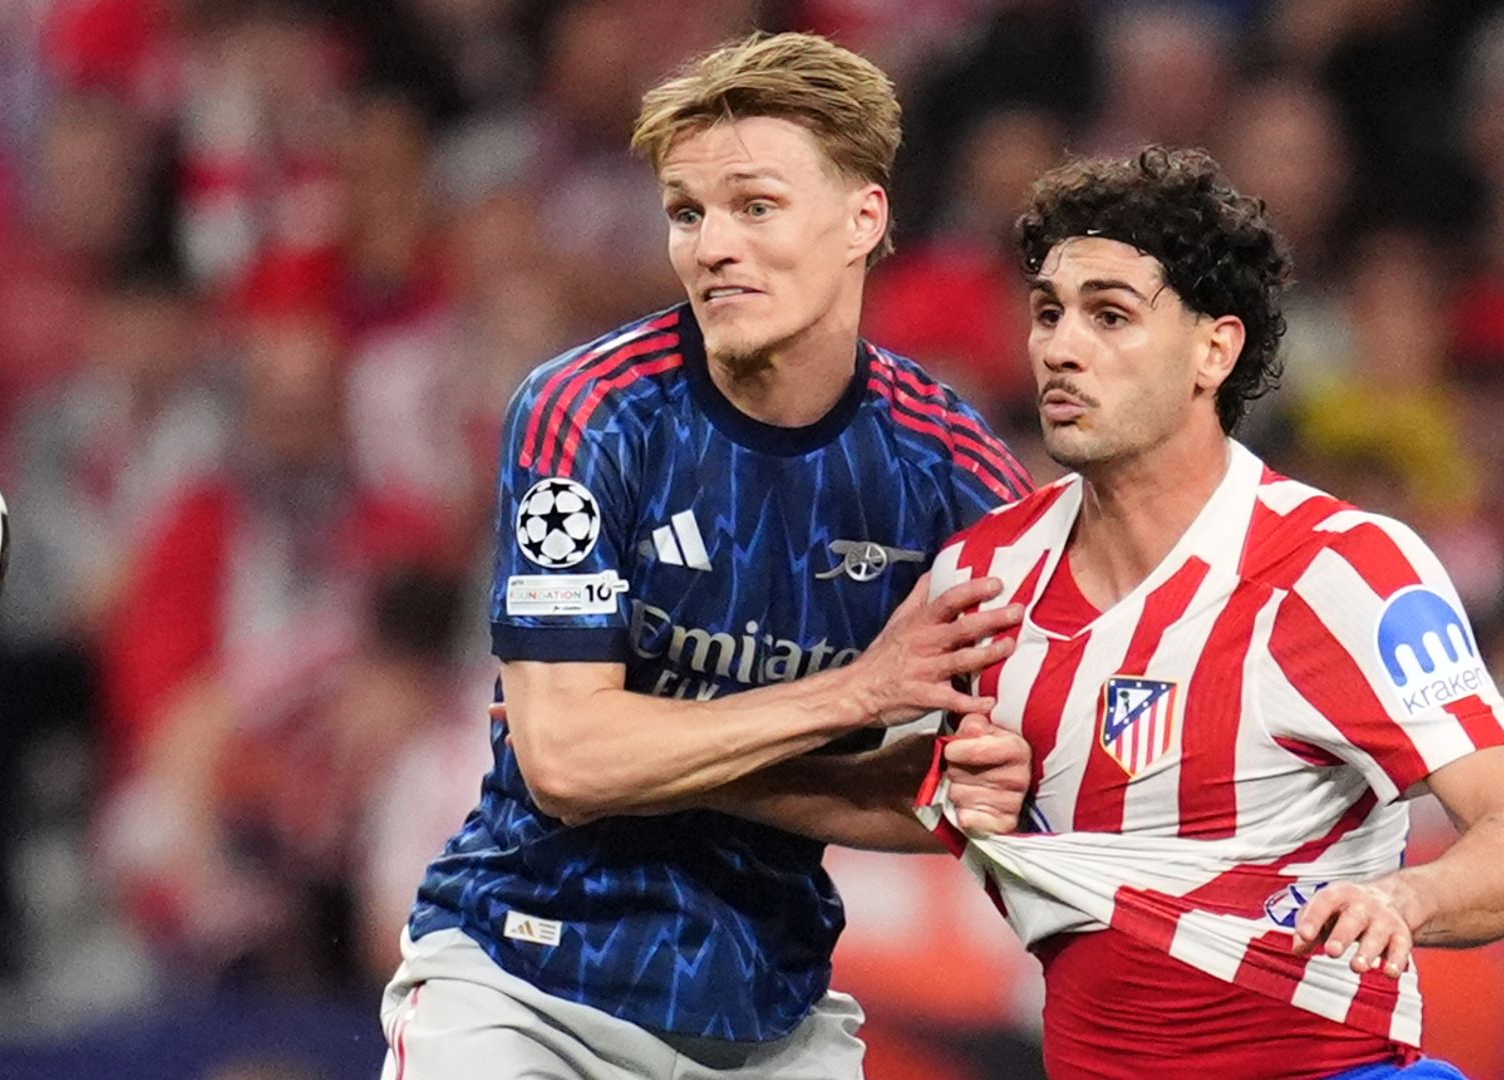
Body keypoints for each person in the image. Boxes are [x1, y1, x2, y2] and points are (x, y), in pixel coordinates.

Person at [381, 32, 1036, 1080]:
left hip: (773, 1016)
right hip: (523, 985)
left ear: (864, 218)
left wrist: (700, 767)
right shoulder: (590, 412)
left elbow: (994, 792)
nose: (712, 246)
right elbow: (566, 762)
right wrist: (854, 695)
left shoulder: (949, 469)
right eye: (687, 212)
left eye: (754, 206)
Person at [918, 146, 1504, 1079]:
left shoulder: (1339, 570)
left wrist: (1404, 899)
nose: (1061, 347)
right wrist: (959, 793)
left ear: (1214, 350)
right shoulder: (981, 576)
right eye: (1048, 312)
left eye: (1110, 315)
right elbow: (892, 795)